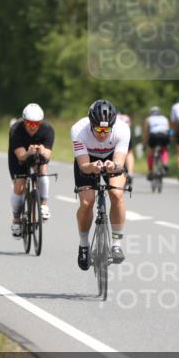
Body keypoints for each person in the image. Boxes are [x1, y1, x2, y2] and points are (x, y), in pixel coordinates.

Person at [72, 99, 130, 270]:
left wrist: (114, 166)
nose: (103, 133)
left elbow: (119, 161)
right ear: (91, 124)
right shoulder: (78, 130)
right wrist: (92, 167)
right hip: (88, 160)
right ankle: (84, 244)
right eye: (98, 129)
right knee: (86, 202)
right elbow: (83, 165)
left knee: (116, 194)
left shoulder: (122, 129)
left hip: (112, 158)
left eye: (107, 129)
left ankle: (116, 244)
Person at [8, 103, 55, 237]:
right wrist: (28, 153)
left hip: (37, 155)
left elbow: (48, 155)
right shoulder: (16, 129)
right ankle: (16, 219)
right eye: (29, 123)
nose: (32, 126)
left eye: (36, 123)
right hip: (19, 156)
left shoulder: (47, 129)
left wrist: (42, 151)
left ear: (41, 122)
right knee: (20, 186)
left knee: (42, 169)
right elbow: (21, 156)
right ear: (24, 121)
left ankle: (44, 204)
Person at [143, 106, 171, 178]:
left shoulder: (148, 119)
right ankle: (165, 163)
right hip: (164, 135)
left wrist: (145, 143)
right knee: (164, 149)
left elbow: (146, 132)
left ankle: (150, 171)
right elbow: (168, 130)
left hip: (154, 136)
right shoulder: (165, 118)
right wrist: (169, 141)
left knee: (151, 152)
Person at [116, 111, 135, 185]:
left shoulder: (113, 117)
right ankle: (130, 173)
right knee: (129, 152)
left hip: (117, 136)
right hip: (126, 134)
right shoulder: (126, 116)